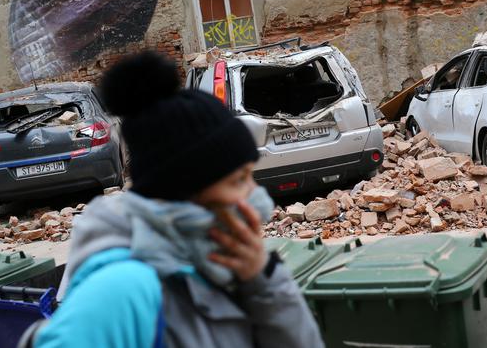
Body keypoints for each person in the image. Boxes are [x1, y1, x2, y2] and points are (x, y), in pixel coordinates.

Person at [31, 52, 324, 347]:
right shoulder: (123, 289)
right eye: (238, 181)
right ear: (184, 192)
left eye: (250, 175)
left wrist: (263, 281)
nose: (254, 194)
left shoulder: (219, 263)